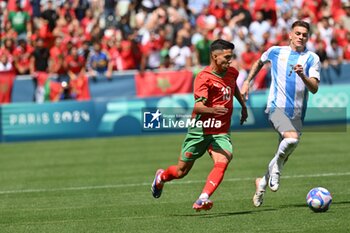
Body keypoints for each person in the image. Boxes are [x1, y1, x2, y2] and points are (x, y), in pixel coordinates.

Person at [151, 39, 248, 211]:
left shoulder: (232, 72)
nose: (230, 60)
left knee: (224, 159)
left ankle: (203, 198)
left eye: (231, 57)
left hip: (221, 131)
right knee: (181, 172)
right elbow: (198, 107)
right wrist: (213, 110)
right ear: (214, 56)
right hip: (200, 130)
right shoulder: (203, 77)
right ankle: (161, 177)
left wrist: (243, 106)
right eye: (226, 57)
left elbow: (233, 89)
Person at [240, 20, 320, 207]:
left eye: (304, 34)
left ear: (308, 37)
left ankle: (262, 182)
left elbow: (314, 88)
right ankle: (276, 171)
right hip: (276, 108)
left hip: (298, 114)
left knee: (284, 152)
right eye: (297, 33)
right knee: (291, 140)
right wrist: (246, 82)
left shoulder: (312, 58)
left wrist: (303, 76)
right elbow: (259, 62)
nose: (300, 37)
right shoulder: (276, 51)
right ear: (290, 34)